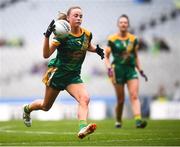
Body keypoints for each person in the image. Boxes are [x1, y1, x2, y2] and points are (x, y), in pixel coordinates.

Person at [22, 6, 104, 139]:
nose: (78, 18)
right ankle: (27, 109)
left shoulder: (87, 34)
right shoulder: (62, 34)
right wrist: (47, 36)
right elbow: (46, 54)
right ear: (68, 18)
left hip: (73, 77)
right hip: (57, 74)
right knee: (45, 106)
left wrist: (96, 50)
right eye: (75, 15)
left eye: (80, 16)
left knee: (85, 99)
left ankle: (82, 128)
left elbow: (86, 45)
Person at [105, 14, 148, 128]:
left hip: (130, 70)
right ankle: (118, 120)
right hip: (117, 70)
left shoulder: (134, 39)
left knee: (134, 95)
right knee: (121, 100)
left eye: (125, 22)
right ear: (118, 25)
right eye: (121, 22)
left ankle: (138, 120)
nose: (123, 24)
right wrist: (109, 68)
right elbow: (106, 56)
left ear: (128, 24)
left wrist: (141, 70)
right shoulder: (112, 39)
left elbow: (136, 56)